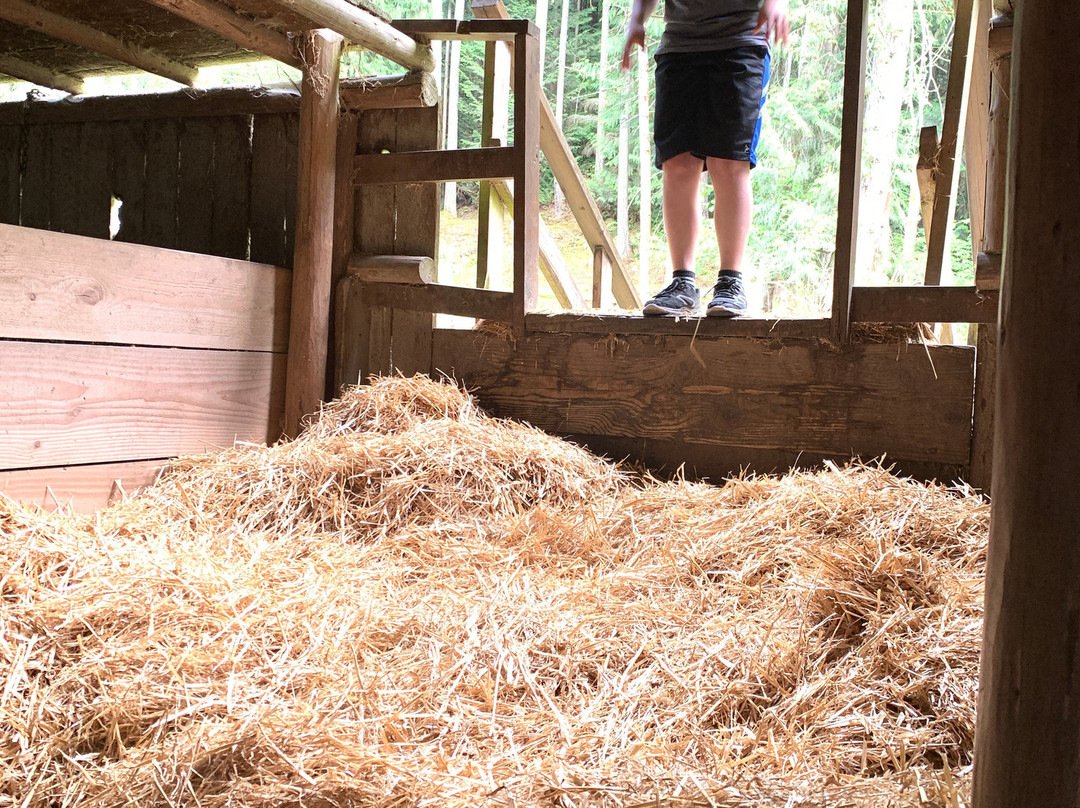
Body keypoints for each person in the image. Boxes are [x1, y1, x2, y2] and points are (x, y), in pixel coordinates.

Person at [622, 0, 789, 317]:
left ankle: (731, 282)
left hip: (742, 41)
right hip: (680, 46)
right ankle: (682, 283)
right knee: (678, 164)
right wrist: (637, 19)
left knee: (728, 163)